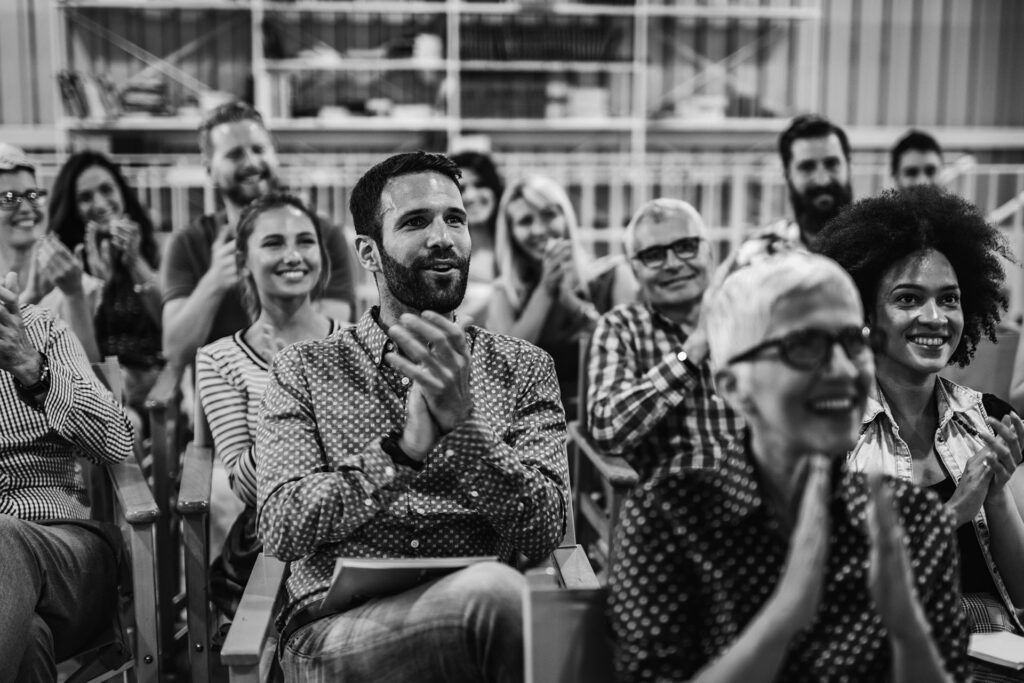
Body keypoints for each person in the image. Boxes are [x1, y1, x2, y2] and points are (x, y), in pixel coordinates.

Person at [256, 151, 568, 682]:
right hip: (337, 634)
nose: (443, 237)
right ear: (369, 253)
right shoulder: (305, 369)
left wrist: (465, 429)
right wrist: (400, 455)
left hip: (484, 624)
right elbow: (281, 528)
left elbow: (544, 530)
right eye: (416, 221)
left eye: (456, 219)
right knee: (494, 598)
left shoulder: (523, 368)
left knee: (498, 601)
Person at [608, 250, 968, 682]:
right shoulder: (668, 517)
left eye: (853, 341)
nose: (842, 370)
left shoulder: (911, 518)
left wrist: (909, 632)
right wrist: (785, 614)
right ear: (734, 387)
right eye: (804, 346)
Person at [816, 188, 1024, 669]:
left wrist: (995, 497)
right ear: (866, 315)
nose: (934, 318)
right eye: (908, 299)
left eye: (948, 300)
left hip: (993, 655)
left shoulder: (989, 420)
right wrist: (950, 514)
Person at [196, 192, 340, 617]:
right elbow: (246, 487)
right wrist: (287, 385)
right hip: (277, 537)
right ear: (244, 262)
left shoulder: (357, 339)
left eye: (305, 241)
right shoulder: (219, 358)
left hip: (360, 519)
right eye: (274, 243)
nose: (293, 255)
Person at [160, 101, 356, 369]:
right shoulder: (188, 243)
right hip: (223, 394)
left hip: (311, 390)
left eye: (258, 149)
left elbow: (333, 343)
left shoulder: (323, 235)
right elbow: (175, 352)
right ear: (209, 168)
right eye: (235, 154)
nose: (251, 163)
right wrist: (214, 281)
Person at [587, 198, 743, 482]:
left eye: (686, 247)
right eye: (654, 255)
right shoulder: (621, 327)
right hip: (676, 504)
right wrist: (693, 349)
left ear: (708, 252)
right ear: (635, 270)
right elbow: (606, 429)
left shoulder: (750, 315)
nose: (672, 264)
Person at [486, 175, 634, 415]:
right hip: (534, 431)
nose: (539, 230)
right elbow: (504, 367)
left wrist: (573, 304)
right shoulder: (506, 293)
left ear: (566, 218)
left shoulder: (614, 275)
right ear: (511, 234)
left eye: (548, 215)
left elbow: (630, 351)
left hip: (603, 424)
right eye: (525, 221)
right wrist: (546, 289)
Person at [46, 150, 163, 416]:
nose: (100, 204)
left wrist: (135, 261)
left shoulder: (150, 249)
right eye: (85, 197)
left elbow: (170, 323)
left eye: (106, 190)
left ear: (122, 193)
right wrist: (95, 284)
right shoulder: (65, 264)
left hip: (153, 389)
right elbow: (73, 355)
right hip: (96, 392)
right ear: (72, 208)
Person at [0, 143, 101, 363]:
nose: (26, 208)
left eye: (32, 195)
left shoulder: (82, 286)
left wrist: (74, 295)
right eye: (8, 198)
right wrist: (31, 298)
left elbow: (95, 383)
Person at [732, 114, 853, 268]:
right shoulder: (759, 255)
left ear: (849, 166)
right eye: (807, 167)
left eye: (831, 164)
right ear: (787, 173)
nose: (822, 180)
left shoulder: (877, 248)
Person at [450, 150, 503, 324]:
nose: (471, 196)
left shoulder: (519, 247)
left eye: (479, 184)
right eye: (462, 189)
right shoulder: (445, 256)